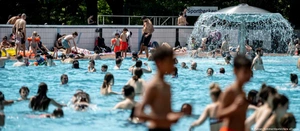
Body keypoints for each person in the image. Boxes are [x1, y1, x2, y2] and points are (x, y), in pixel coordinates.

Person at [135, 46, 187, 131]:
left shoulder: (167, 85)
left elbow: (166, 112)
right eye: (170, 61)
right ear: (160, 63)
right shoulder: (153, 86)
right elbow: (139, 112)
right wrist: (162, 120)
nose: (173, 64)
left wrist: (180, 114)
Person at [216, 54, 252, 131]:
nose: (248, 74)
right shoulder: (230, 91)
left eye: (249, 71)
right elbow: (219, 114)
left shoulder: (242, 91)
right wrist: (234, 107)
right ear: (235, 71)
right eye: (245, 71)